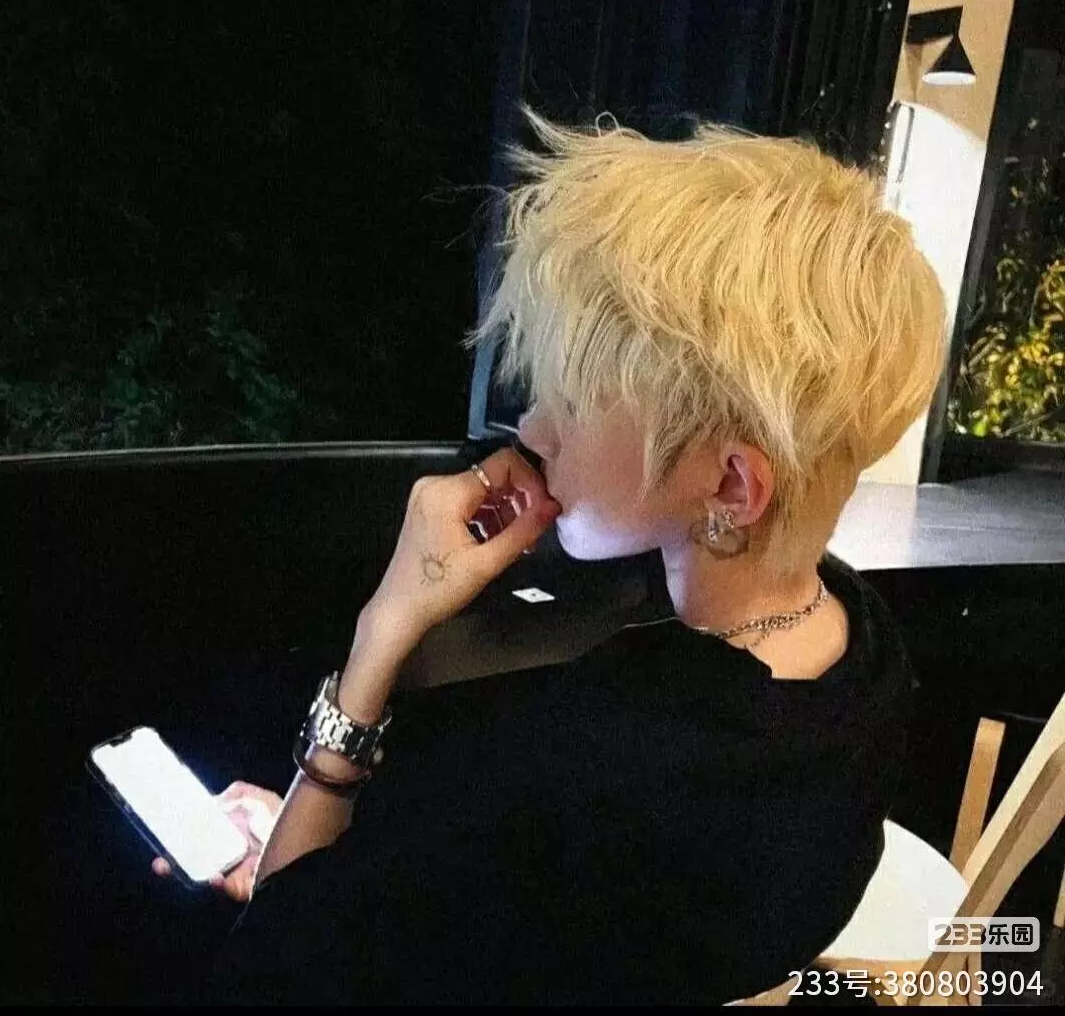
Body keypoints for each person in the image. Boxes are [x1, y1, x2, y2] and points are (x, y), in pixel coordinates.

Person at [153, 107, 947, 1004]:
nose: (534, 429)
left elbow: (272, 965)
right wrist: (370, 868)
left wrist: (383, 634)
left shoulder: (586, 774)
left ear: (732, 486)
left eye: (574, 400)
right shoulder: (868, 654)